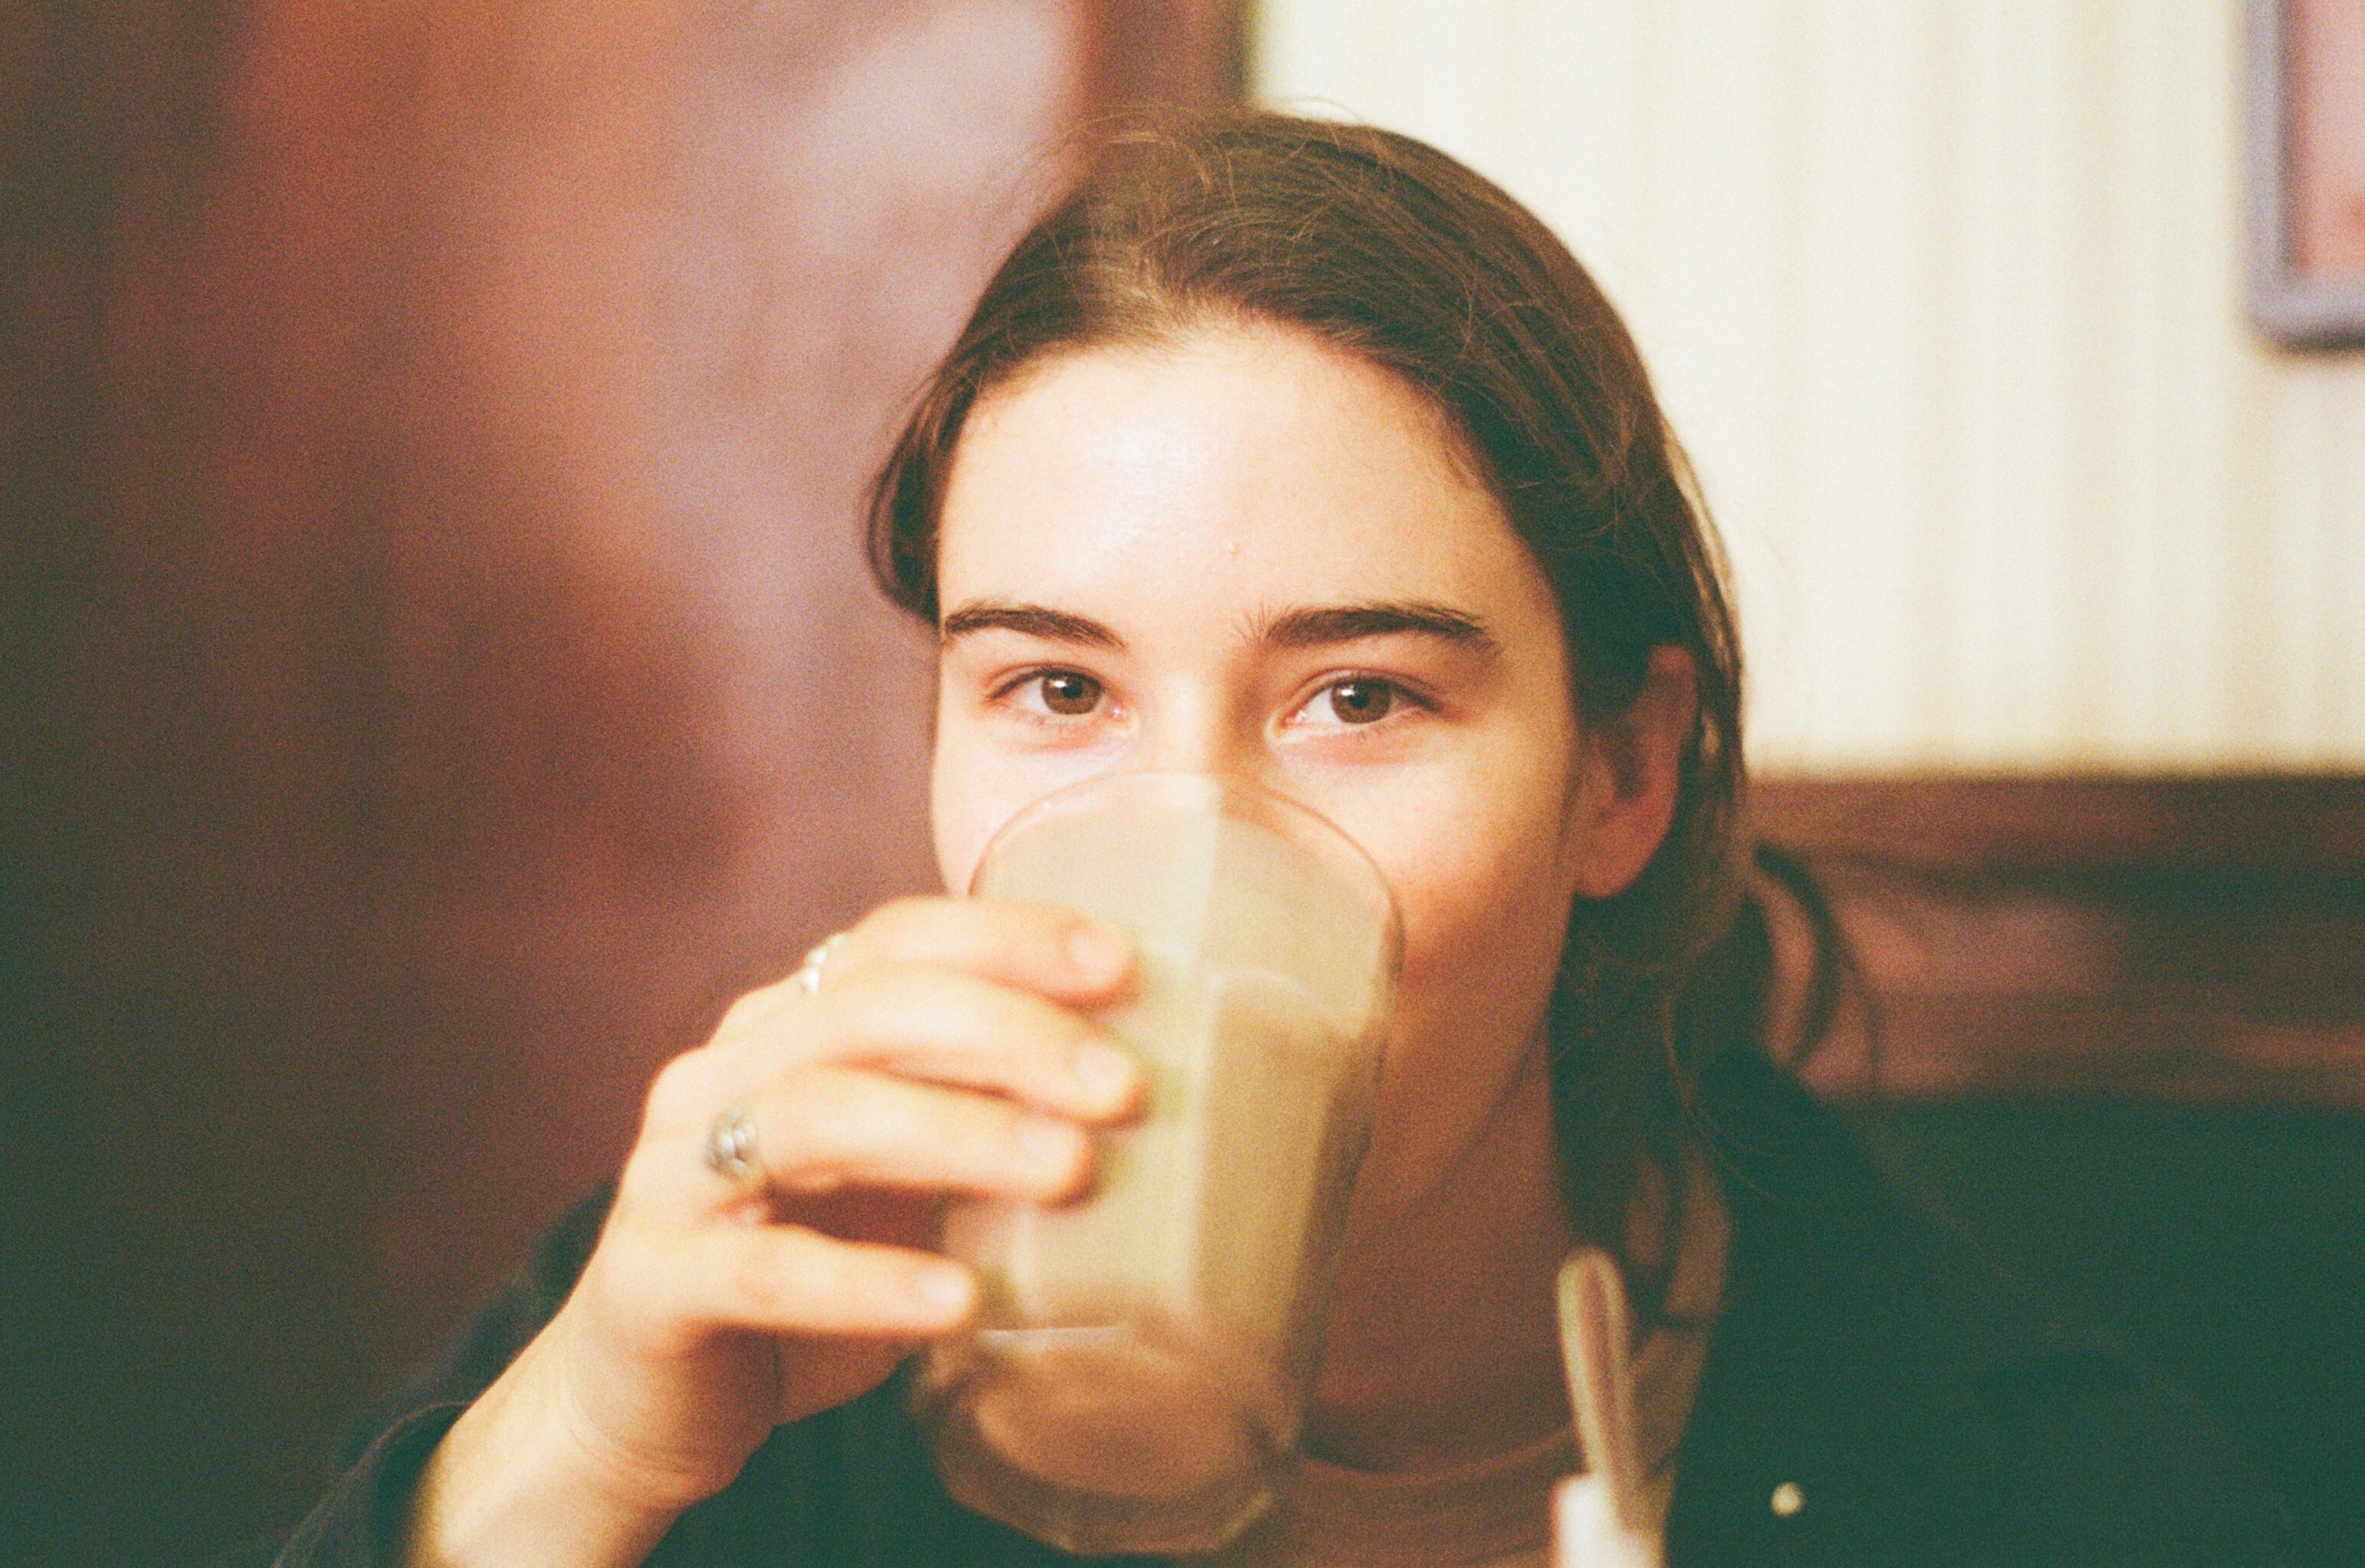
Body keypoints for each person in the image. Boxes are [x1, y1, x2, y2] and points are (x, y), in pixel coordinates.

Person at [245, 113, 2284, 1568]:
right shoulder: (749, 1342)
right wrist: (576, 1451)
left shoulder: (2041, 1487)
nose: (1194, 855)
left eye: (1360, 697)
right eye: (1057, 691)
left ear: (1619, 775)